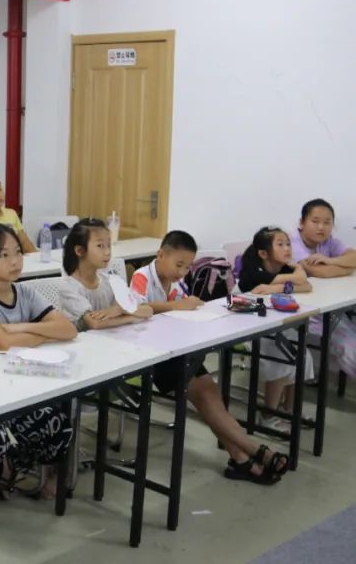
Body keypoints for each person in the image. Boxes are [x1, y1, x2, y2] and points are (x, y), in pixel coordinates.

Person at [131, 230, 290, 484]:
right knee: (205, 394)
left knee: (210, 391)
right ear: (160, 255)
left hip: (177, 348)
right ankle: (255, 450)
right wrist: (176, 306)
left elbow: (184, 306)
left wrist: (191, 305)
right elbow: (137, 309)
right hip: (151, 356)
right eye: (178, 265)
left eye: (187, 267)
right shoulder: (142, 276)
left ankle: (240, 458)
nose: (183, 272)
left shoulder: (175, 281)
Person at [0, 224, 77, 507]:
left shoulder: (24, 292)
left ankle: (17, 461)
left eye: (18, 252)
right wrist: (41, 334)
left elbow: (68, 329)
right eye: (4, 255)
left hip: (15, 383)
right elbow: (4, 344)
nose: (15, 261)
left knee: (57, 423)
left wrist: (21, 328)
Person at [239, 227, 314, 433]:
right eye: (280, 244)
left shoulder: (280, 268)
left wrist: (276, 287)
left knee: (302, 353)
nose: (287, 248)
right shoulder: (254, 272)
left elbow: (305, 284)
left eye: (288, 243)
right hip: (249, 327)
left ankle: (289, 411)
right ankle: (268, 416)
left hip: (274, 324)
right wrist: (293, 276)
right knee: (281, 358)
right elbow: (300, 279)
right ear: (264, 253)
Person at [291, 198, 356, 377]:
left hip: (330, 306)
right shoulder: (292, 243)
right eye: (315, 221)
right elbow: (321, 272)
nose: (321, 227)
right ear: (301, 222)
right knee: (349, 345)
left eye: (327, 222)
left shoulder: (329, 242)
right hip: (303, 310)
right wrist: (345, 266)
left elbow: (354, 258)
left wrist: (330, 260)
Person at [58, 218, 152, 330]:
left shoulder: (110, 281)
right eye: (100, 246)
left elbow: (148, 310)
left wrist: (121, 309)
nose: (107, 252)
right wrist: (131, 317)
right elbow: (95, 324)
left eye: (108, 245)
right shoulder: (68, 287)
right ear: (79, 250)